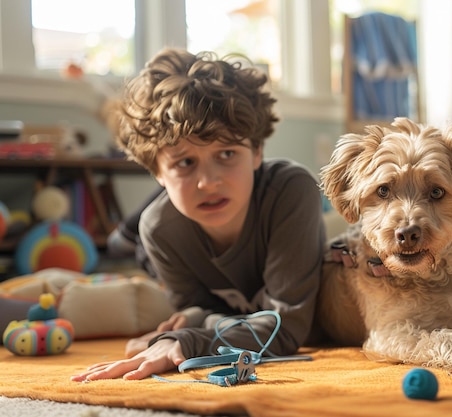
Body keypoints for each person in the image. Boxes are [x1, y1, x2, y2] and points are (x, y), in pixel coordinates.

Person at [71, 48, 326, 381]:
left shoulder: (291, 191)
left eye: (227, 153)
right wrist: (195, 319)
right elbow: (200, 312)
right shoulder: (159, 229)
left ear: (257, 151)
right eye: (185, 162)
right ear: (157, 172)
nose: (208, 182)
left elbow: (289, 327)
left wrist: (190, 339)